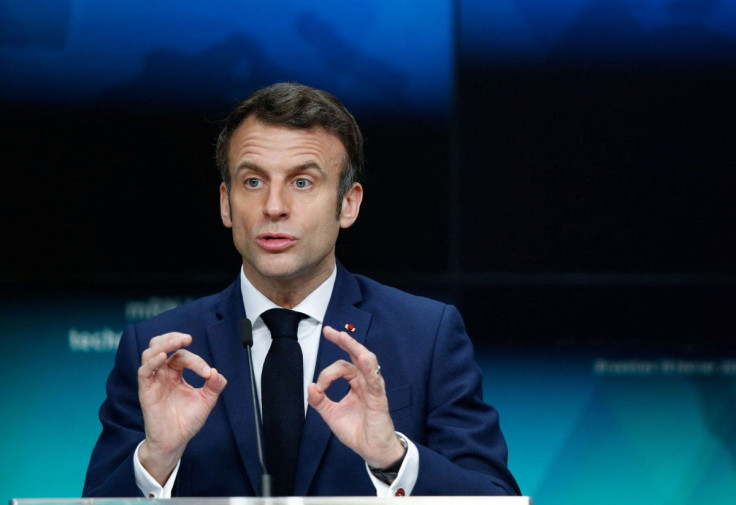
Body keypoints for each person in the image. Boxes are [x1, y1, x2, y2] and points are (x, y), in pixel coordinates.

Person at [83, 82, 520, 497]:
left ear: (347, 204)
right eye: (253, 182)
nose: (274, 207)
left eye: (302, 182)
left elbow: (497, 498)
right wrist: (157, 459)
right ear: (225, 203)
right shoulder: (160, 350)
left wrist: (393, 457)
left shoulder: (426, 335)